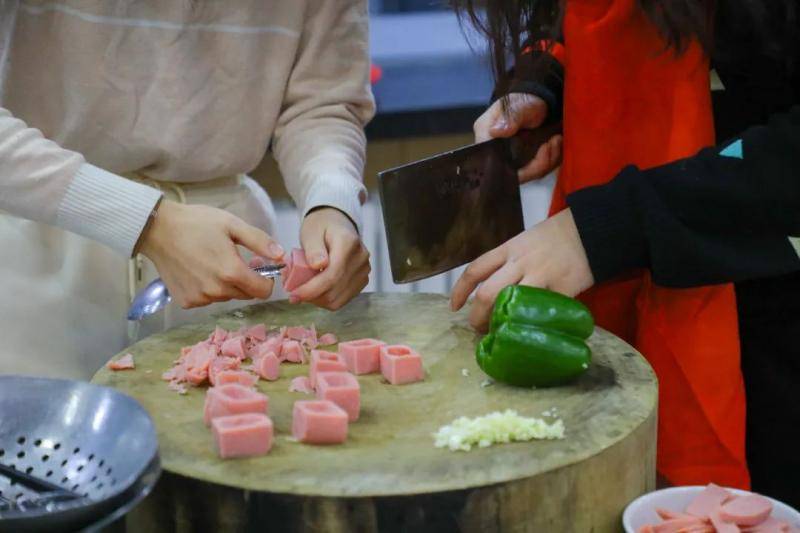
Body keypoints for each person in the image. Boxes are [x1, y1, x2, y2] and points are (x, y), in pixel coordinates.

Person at [451, 0, 798, 499]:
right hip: (655, 285)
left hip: (773, 343)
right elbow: (569, 19)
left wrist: (608, 229)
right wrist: (542, 80)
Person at [0, 1, 373, 380]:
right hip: (42, 240)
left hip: (227, 262)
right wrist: (148, 222)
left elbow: (323, 102)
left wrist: (331, 201)